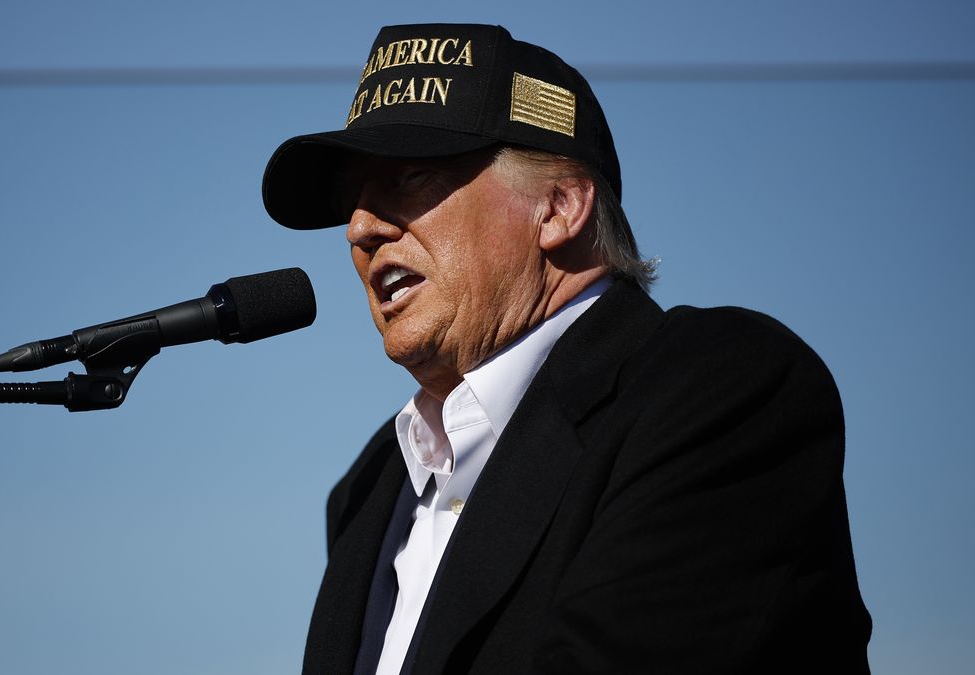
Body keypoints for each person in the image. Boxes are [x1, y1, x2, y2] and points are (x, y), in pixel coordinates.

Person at [262, 23, 872, 675]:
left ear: (557, 207)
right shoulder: (370, 489)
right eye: (353, 198)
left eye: (410, 176)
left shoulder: (721, 390)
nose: (360, 227)